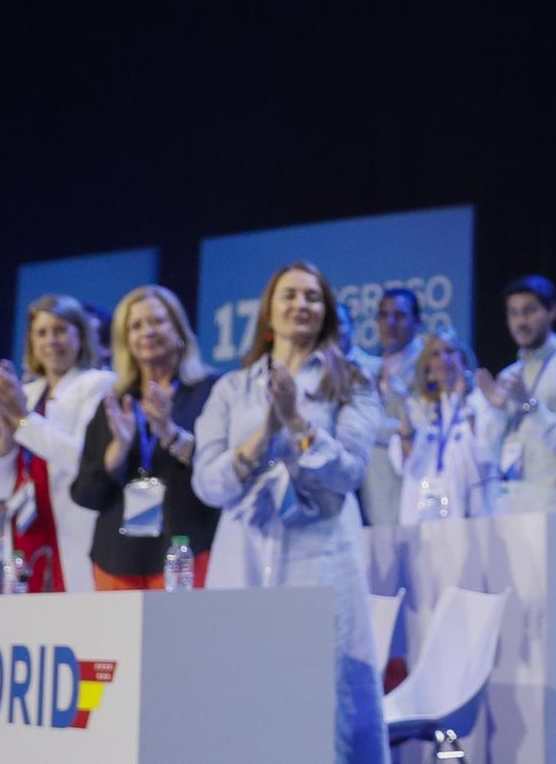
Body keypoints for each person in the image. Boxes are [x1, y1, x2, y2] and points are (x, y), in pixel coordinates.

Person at [193, 262, 387, 764]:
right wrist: (263, 433)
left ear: (325, 313)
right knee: (239, 690)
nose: (301, 305)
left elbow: (348, 472)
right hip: (243, 556)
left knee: (325, 692)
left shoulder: (354, 381)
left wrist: (298, 421)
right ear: (269, 312)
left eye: (313, 297)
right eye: (290, 296)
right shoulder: (231, 389)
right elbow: (207, 484)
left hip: (322, 554)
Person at [70, 285, 218, 589]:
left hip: (186, 550)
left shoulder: (211, 391)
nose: (147, 332)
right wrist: (116, 453)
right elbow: (85, 493)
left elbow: (219, 475)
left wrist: (170, 433)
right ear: (125, 341)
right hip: (116, 559)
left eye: (157, 321)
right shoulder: (114, 402)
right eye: (135, 326)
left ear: (178, 328)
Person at [0, 293, 115, 593]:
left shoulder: (99, 385)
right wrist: (6, 437)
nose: (51, 341)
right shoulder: (28, 392)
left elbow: (85, 460)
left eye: (61, 330)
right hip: (26, 536)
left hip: (74, 533)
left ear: (81, 335)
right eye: (42, 333)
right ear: (32, 343)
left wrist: (24, 419)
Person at [474, 275, 556, 515]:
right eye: (513, 313)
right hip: (509, 508)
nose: (520, 321)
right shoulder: (509, 375)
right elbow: (489, 452)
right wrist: (495, 408)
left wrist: (530, 405)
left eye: (529, 311)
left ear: (552, 311)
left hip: (555, 508)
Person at [386, 333, 495, 524]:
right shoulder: (420, 409)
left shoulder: (480, 402)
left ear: (462, 359)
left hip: (470, 511)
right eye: (435, 354)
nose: (443, 359)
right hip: (426, 513)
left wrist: (462, 403)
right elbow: (405, 461)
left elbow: (486, 451)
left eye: (450, 352)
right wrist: (402, 410)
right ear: (428, 366)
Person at [358, 287, 425, 527]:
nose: (390, 323)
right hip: (371, 486)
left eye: (399, 315)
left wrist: (364, 429)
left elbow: (424, 426)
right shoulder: (370, 366)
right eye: (384, 315)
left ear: (418, 321)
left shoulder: (429, 365)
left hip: (412, 480)